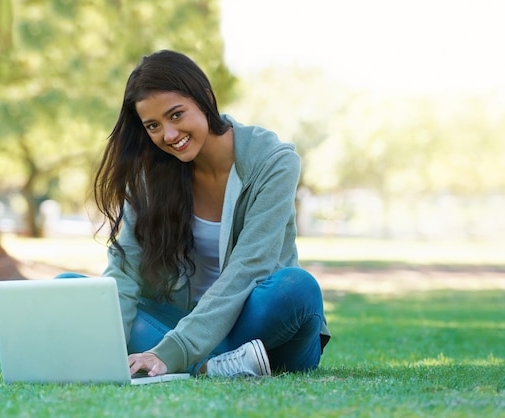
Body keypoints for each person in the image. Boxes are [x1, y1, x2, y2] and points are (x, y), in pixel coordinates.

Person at [89, 50, 330, 378]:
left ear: (205, 98)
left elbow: (249, 268)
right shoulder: (150, 173)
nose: (169, 135)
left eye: (176, 115)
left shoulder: (272, 162)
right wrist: (101, 346)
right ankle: (216, 366)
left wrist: (174, 349)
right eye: (153, 125)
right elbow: (126, 271)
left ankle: (186, 359)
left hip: (261, 325)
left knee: (296, 288)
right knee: (71, 290)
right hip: (179, 324)